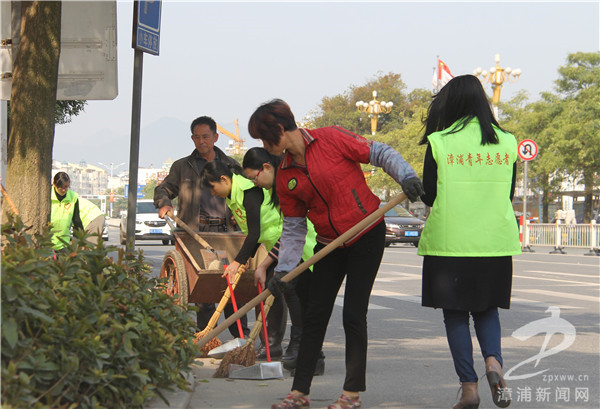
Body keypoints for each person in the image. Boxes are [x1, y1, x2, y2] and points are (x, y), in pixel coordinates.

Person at [247, 99, 423, 409]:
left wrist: (405, 177)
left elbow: (379, 152)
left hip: (366, 234)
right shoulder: (286, 173)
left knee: (353, 314)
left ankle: (351, 394)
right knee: (315, 315)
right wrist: (285, 272)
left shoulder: (330, 138)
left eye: (263, 137)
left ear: (278, 129)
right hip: (329, 244)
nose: (264, 145)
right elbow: (293, 227)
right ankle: (299, 393)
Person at [417, 75, 521, 409]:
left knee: (456, 316)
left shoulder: (440, 142)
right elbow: (509, 193)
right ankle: (494, 363)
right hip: (494, 241)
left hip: (450, 243)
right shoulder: (507, 142)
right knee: (487, 310)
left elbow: (430, 195)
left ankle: (469, 388)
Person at [154, 115, 249, 338]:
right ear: (192, 139)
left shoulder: (232, 166)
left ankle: (240, 338)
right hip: (195, 235)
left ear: (216, 137)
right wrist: (164, 203)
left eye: (206, 136)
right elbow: (163, 189)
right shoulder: (182, 167)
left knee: (233, 287)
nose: (201, 141)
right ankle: (205, 339)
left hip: (228, 235)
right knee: (203, 288)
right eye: (196, 137)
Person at [242, 147, 324, 372]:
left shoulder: (287, 186)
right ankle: (311, 356)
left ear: (266, 168)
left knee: (301, 306)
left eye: (254, 178)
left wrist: (266, 264)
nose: (255, 184)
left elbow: (289, 232)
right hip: (293, 254)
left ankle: (307, 353)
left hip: (305, 252)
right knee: (302, 306)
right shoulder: (273, 191)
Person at [50, 172, 106, 251]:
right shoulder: (47, 195)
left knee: (90, 249)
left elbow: (76, 221)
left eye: (66, 187)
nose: (63, 190)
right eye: (60, 187)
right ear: (54, 184)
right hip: (49, 241)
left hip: (90, 219)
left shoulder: (73, 197)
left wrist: (80, 238)